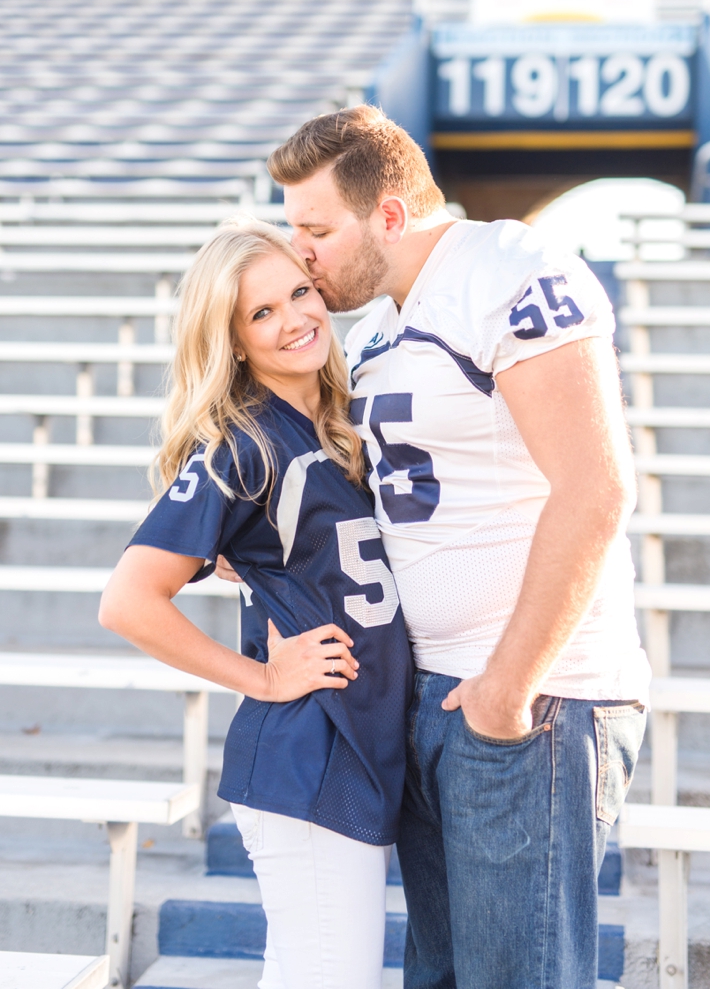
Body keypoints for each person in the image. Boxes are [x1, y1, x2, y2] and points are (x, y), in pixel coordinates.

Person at [264, 105, 651, 988]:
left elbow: (596, 490)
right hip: (432, 690)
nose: (304, 256)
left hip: (532, 695)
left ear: (390, 214)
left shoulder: (512, 272)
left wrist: (508, 689)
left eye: (318, 229)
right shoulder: (374, 333)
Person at [99, 219, 413, 989]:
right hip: (308, 754)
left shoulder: (345, 421)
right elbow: (129, 600)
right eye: (261, 313)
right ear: (233, 340)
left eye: (300, 293)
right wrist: (265, 679)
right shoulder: (239, 443)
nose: (295, 319)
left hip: (355, 744)